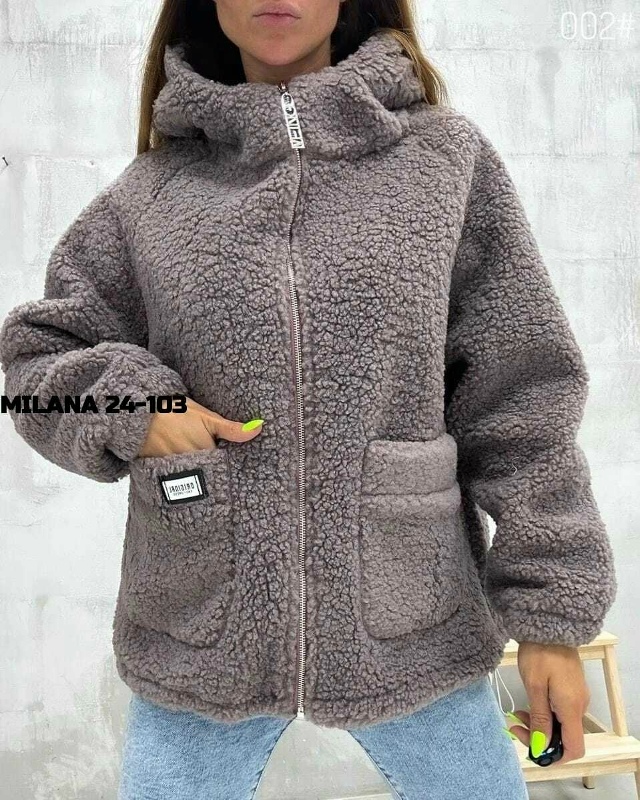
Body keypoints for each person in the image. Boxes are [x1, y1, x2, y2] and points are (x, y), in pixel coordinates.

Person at [0, 0, 617, 798]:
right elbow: (34, 367)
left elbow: (523, 397)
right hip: (202, 628)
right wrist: (135, 411)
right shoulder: (149, 195)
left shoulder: (445, 164)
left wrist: (550, 620)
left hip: (411, 619)